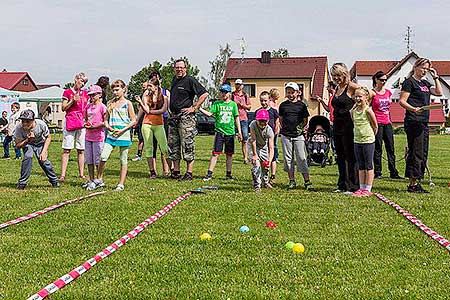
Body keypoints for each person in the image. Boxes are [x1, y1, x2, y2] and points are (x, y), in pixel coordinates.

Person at [399, 58, 442, 193]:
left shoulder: (425, 83)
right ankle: (412, 184)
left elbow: (439, 92)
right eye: (423, 68)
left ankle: (417, 181)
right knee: (416, 152)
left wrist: (435, 77)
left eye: (427, 69)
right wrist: (413, 109)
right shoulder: (409, 82)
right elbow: (402, 101)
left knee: (423, 152)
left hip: (423, 121)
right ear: (416, 67)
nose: (425, 71)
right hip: (413, 121)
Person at [168, 59, 209, 180]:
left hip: (186, 118)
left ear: (186, 68)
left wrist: (194, 107)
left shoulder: (190, 80)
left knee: (187, 144)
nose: (179, 69)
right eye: (177, 67)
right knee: (173, 145)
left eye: (181, 67)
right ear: (174, 69)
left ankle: (189, 173)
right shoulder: (174, 80)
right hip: (174, 117)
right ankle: (176, 171)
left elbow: (204, 94)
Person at [96, 80, 136, 191]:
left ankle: (121, 184)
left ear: (124, 89)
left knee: (123, 159)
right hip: (111, 135)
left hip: (124, 134)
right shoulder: (110, 103)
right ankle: (99, 178)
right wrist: (108, 126)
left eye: (117, 90)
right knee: (103, 156)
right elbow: (106, 119)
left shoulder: (128, 103)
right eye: (113, 90)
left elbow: (133, 120)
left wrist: (123, 130)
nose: (115, 92)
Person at [200, 83, 242, 181]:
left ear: (229, 94)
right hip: (219, 132)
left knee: (229, 154)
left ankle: (228, 174)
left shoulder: (233, 105)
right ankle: (209, 173)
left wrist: (239, 132)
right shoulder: (217, 104)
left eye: (225, 92)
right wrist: (200, 108)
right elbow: (210, 114)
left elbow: (236, 118)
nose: (223, 94)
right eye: (221, 92)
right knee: (215, 153)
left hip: (230, 133)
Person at [279, 82, 314, 191]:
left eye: (292, 92)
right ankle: (291, 181)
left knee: (301, 158)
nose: (290, 94)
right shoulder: (283, 105)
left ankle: (307, 181)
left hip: (298, 135)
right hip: (286, 135)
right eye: (288, 92)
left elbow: (305, 120)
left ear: (298, 93)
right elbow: (281, 119)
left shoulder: (301, 105)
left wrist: (301, 128)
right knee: (288, 159)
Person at [330, 63, 359, 193]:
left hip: (348, 125)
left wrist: (356, 108)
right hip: (337, 125)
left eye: (338, 75)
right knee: (340, 155)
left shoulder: (351, 87)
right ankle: (341, 184)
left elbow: (369, 93)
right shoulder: (337, 88)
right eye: (333, 75)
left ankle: (352, 185)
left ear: (344, 74)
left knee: (349, 156)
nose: (336, 78)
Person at [14, 110, 59, 190]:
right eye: (23, 121)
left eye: (27, 121)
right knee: (28, 157)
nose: (25, 123)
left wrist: (44, 151)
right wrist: (27, 140)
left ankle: (54, 180)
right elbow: (17, 145)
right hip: (28, 144)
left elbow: (48, 137)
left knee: (44, 161)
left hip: (40, 143)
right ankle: (22, 183)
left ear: (33, 120)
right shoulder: (19, 128)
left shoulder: (41, 124)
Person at [369, 71, 402, 179]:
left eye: (385, 80)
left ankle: (393, 172)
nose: (384, 82)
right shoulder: (372, 93)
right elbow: (367, 108)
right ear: (376, 80)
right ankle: (378, 172)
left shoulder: (388, 92)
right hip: (377, 123)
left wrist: (390, 120)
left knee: (390, 148)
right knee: (378, 148)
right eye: (381, 80)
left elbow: (388, 108)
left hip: (387, 122)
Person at [135, 77, 169, 178]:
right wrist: (140, 102)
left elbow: (163, 110)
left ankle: (171, 170)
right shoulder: (146, 95)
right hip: (147, 124)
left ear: (156, 86)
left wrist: (151, 112)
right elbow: (145, 109)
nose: (148, 88)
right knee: (149, 148)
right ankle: (152, 172)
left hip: (159, 124)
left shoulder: (164, 97)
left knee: (164, 148)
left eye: (150, 86)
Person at [60, 72, 89, 182]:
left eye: (84, 82)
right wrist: (72, 100)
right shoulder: (67, 92)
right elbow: (63, 108)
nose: (82, 84)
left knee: (81, 149)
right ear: (76, 79)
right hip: (70, 122)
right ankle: (62, 175)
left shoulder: (85, 93)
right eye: (81, 81)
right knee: (67, 149)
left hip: (81, 123)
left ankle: (81, 174)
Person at [350, 87, 378, 197]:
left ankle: (368, 188)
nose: (357, 98)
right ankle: (361, 187)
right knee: (360, 166)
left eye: (360, 96)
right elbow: (354, 123)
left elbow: (375, 126)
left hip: (368, 141)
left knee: (368, 165)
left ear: (366, 97)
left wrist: (370, 137)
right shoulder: (353, 111)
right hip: (357, 140)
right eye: (356, 96)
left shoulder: (368, 110)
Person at [84, 85, 107, 191]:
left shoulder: (103, 107)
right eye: (90, 95)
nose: (91, 97)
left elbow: (105, 122)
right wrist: (86, 124)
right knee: (89, 159)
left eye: (93, 95)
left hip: (98, 137)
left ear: (99, 95)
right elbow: (85, 119)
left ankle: (99, 179)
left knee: (98, 159)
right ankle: (91, 179)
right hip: (88, 136)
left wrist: (95, 126)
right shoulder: (88, 107)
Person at [149, 70, 171, 176]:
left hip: (164, 120)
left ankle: (166, 170)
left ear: (160, 80)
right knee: (152, 146)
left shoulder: (166, 92)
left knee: (164, 146)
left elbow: (169, 108)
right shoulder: (148, 93)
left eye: (157, 79)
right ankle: (153, 171)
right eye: (153, 80)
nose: (155, 81)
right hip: (151, 121)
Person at [256, 91, 279, 184]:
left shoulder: (273, 111)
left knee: (273, 155)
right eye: (261, 101)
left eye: (265, 100)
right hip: (261, 138)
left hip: (272, 136)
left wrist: (277, 128)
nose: (263, 103)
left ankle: (272, 176)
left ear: (269, 100)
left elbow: (277, 120)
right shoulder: (258, 111)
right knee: (262, 156)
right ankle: (262, 176)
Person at [249, 109, 275, 192]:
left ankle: (265, 181)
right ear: (256, 120)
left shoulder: (269, 131)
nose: (262, 124)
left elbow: (271, 148)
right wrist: (254, 154)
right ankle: (257, 185)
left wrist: (269, 161)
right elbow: (253, 140)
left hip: (263, 147)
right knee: (256, 165)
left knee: (265, 166)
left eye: (264, 122)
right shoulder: (253, 125)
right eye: (260, 121)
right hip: (253, 145)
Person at [232, 79, 251, 164]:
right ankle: (229, 156)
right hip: (232, 118)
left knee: (245, 138)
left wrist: (242, 105)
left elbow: (249, 107)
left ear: (242, 85)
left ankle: (245, 158)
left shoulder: (245, 95)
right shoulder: (232, 95)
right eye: (237, 84)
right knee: (230, 138)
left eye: (239, 84)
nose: (238, 86)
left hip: (243, 118)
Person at [131, 81, 147, 162]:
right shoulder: (141, 96)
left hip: (148, 119)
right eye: (142, 87)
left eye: (144, 87)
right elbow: (139, 108)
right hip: (141, 119)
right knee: (141, 138)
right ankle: (139, 155)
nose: (143, 88)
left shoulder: (150, 96)